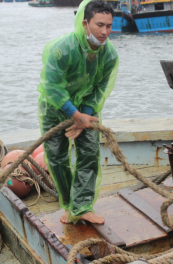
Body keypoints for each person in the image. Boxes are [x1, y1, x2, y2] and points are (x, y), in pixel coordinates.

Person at [36, 0, 119, 224]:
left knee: (89, 155)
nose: (104, 32)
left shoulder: (109, 54)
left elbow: (100, 88)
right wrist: (73, 115)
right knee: (57, 159)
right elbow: (52, 86)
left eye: (109, 26)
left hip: (86, 109)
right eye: (99, 25)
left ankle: (82, 206)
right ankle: (69, 205)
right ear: (85, 23)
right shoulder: (61, 49)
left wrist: (85, 114)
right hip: (55, 110)